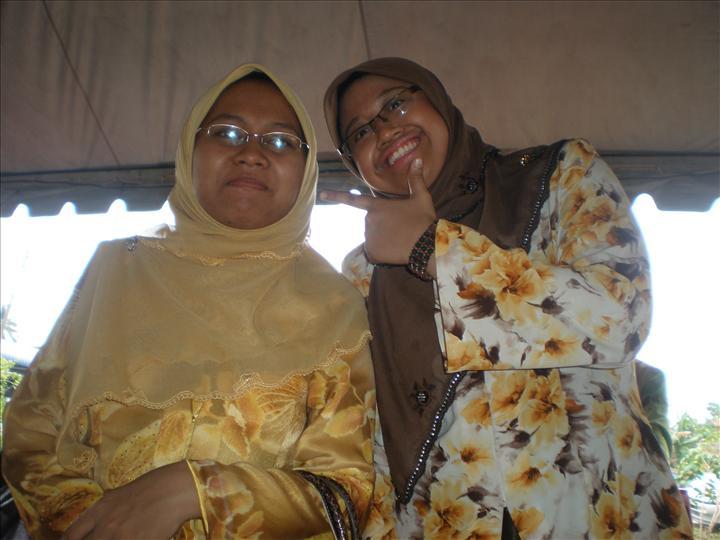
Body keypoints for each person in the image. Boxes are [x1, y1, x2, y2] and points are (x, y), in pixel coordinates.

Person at [321, 57, 691, 539]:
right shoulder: (364, 271)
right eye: (360, 131)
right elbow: (369, 439)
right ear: (354, 163)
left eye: (395, 103)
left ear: (438, 100)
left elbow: (622, 314)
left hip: (599, 513)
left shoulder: (559, 176)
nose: (385, 129)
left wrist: (434, 250)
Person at [1, 64, 374, 540]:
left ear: (306, 172)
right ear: (189, 151)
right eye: (227, 133)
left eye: (281, 141)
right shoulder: (116, 273)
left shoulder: (334, 305)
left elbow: (346, 494)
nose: (251, 154)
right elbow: (30, 435)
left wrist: (199, 491)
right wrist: (94, 526)